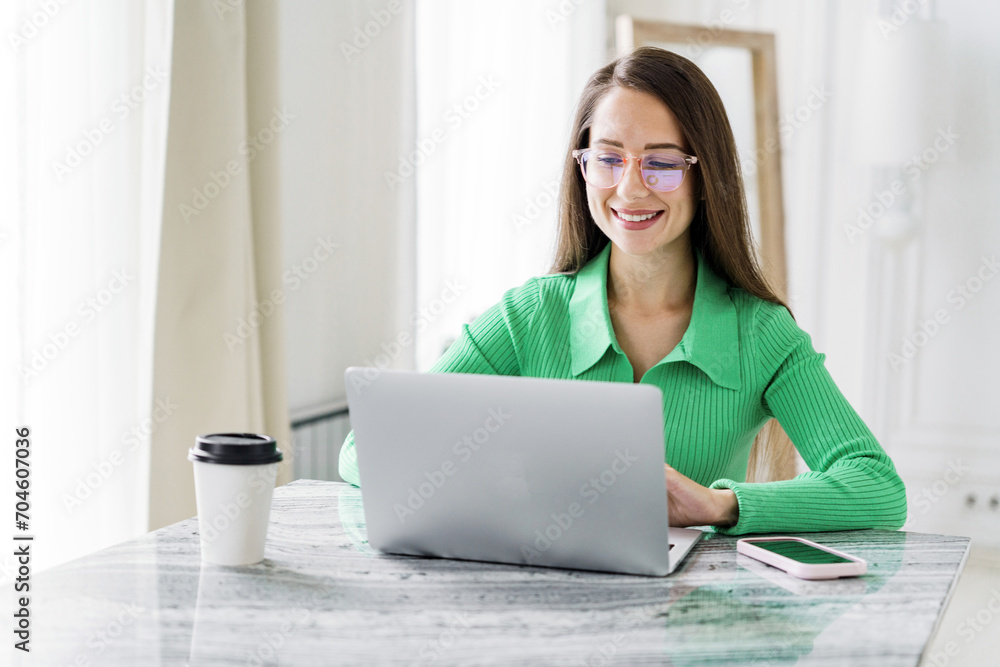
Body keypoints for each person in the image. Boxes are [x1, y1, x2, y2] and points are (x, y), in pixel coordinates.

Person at [339, 46, 906, 535]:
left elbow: (879, 487)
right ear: (582, 167)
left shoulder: (758, 332)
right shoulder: (528, 316)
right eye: (608, 158)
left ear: (705, 177)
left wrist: (721, 505)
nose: (629, 188)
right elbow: (367, 452)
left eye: (660, 163)